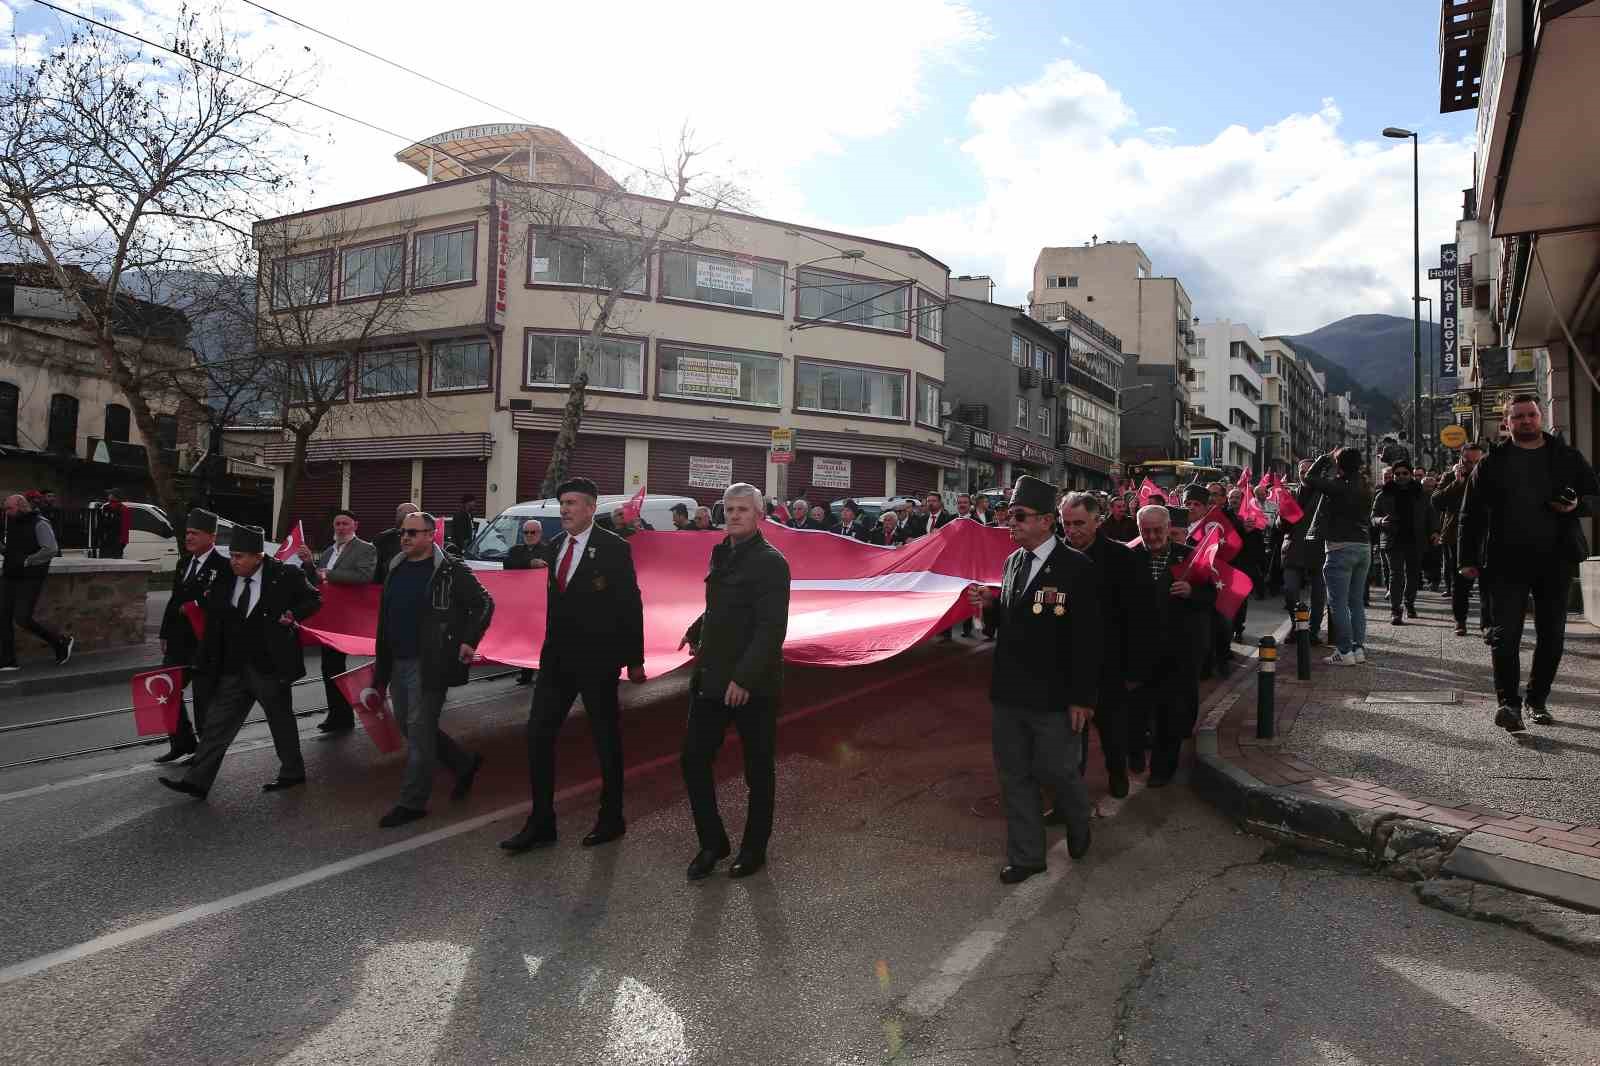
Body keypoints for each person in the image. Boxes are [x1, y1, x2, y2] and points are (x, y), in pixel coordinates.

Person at [964, 476, 1099, 884]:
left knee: (1058, 772)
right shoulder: (1012, 563)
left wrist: (1082, 698)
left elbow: (1088, 640)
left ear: (1045, 521)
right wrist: (988, 606)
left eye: (1019, 517)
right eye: (1010, 516)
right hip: (1010, 691)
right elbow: (1008, 623)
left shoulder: (1077, 568)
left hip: (1054, 696)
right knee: (1014, 775)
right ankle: (1027, 856)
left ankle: (1078, 819)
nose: (1012, 523)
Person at [501, 477, 647, 853]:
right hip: (557, 661)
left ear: (590, 508)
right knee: (538, 735)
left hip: (598, 660)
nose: (564, 509)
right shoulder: (553, 546)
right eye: (562, 502)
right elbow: (521, 565)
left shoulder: (613, 548)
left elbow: (630, 604)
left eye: (572, 503)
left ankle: (611, 817)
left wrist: (634, 660)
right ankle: (541, 821)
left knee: (605, 739)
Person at [1459, 396, 1598, 731]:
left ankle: (1537, 700)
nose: (1525, 421)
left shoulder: (1566, 457)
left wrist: (1575, 505)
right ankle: (1509, 704)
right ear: (1507, 422)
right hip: (1506, 561)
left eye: (1531, 415)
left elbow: (1595, 497)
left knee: (1552, 636)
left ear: (1540, 417)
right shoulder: (1493, 463)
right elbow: (1471, 513)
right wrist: (1467, 559)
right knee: (1504, 635)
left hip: (1556, 558)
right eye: (1518, 416)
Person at [677, 483, 791, 880]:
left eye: (743, 509)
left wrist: (744, 679)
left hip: (752, 686)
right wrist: (696, 630)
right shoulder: (720, 552)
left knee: (757, 770)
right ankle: (712, 842)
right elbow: (719, 607)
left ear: (759, 514)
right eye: (729, 509)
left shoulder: (771, 562)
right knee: (693, 761)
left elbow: (770, 628)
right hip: (712, 678)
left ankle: (753, 849)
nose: (735, 515)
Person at [157, 525, 319, 799]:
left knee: (280, 721)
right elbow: (214, 622)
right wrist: (205, 658)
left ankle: (292, 771)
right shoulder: (224, 579)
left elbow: (314, 598)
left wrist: (294, 615)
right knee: (216, 724)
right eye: (231, 555)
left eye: (240, 556)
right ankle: (197, 781)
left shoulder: (284, 575)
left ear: (258, 556)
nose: (234, 561)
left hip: (269, 666)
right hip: (234, 667)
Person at [371, 511, 493, 827]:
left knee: (419, 730)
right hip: (397, 659)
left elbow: (483, 603)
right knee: (410, 726)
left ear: (430, 535)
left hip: (432, 663)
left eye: (413, 533)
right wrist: (380, 670)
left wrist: (469, 641)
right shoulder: (395, 567)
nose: (406, 538)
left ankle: (412, 802)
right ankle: (462, 763)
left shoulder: (451, 570)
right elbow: (385, 619)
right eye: (403, 533)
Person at [1122, 504, 1215, 785]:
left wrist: (1192, 592)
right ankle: (1135, 754)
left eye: (1157, 530)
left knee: (1170, 716)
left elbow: (1211, 596)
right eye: (1145, 531)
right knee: (1134, 713)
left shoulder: (1190, 559)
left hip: (1177, 655)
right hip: (1136, 654)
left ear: (1168, 528)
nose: (1151, 536)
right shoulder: (1127, 557)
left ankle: (1163, 770)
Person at [1057, 491, 1133, 797]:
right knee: (1071, 736)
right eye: (1066, 523)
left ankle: (1118, 774)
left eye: (1079, 523)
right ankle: (1072, 795)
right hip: (1069, 665)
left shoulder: (1121, 557)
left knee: (1112, 730)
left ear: (1097, 521)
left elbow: (1134, 616)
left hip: (1109, 664)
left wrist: (1132, 667)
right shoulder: (1056, 557)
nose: (1072, 530)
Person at [154, 509, 231, 762]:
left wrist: (199, 604)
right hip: (178, 640)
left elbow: (222, 604)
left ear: (211, 536)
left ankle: (203, 752)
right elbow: (174, 598)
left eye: (194, 533)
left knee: (203, 698)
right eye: (187, 533)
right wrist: (164, 633)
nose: (189, 538)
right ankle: (181, 742)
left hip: (204, 642)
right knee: (166, 689)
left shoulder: (223, 567)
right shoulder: (183, 562)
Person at [297, 509, 378, 732]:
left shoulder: (366, 549)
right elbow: (316, 579)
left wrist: (328, 574)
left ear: (355, 525)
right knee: (329, 667)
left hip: (347, 618)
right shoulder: (328, 551)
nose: (341, 528)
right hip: (328, 617)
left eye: (345, 523)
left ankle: (341, 716)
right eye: (337, 524)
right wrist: (307, 563)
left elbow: (364, 576)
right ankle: (338, 715)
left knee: (334, 666)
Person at [1305, 447, 1373, 666]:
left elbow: (1309, 478)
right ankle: (1358, 648)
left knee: (1338, 603)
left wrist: (1324, 458)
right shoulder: (1364, 485)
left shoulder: (1338, 486)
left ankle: (1344, 652)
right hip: (1363, 546)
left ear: (1340, 464)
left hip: (1339, 547)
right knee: (1356, 602)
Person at [1, 494, 75, 671]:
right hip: (11, 574)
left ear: (21, 506)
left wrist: (28, 561)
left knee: (22, 618)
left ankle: (60, 642)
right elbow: (12, 549)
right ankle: (8, 660)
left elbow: (50, 549)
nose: (6, 512)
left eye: (9, 508)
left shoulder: (39, 522)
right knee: (2, 616)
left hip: (31, 577)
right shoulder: (11, 522)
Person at [1432, 443, 1489, 637]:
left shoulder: (1489, 476)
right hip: (1455, 535)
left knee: (1487, 581)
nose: (1472, 466)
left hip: (1484, 534)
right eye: (1467, 462)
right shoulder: (1451, 476)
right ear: (1460, 460)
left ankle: (1486, 623)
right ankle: (1460, 620)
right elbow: (1436, 501)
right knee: (1460, 581)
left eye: (1476, 461)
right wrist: (1457, 483)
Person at [1370, 459, 1435, 625]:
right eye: (1397, 474)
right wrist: (1380, 521)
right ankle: (1395, 610)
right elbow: (1373, 517)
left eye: (1404, 473)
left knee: (1413, 575)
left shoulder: (1421, 493)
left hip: (1415, 539)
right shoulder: (1384, 494)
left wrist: (1435, 532)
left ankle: (1409, 603)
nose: (1401, 476)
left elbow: (1430, 516)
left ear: (1411, 474)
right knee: (1395, 575)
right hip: (1393, 540)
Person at [1280, 459, 1326, 644]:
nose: (1305, 474)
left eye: (1309, 470)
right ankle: (1296, 626)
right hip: (1294, 548)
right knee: (1290, 591)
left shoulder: (1325, 494)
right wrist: (1282, 516)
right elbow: (1280, 525)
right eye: (1301, 471)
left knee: (1318, 595)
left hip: (1318, 549)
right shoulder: (1290, 494)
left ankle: (1312, 632)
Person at [503, 519, 548, 685]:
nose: (529, 535)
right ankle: (526, 672)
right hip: (522, 602)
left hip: (540, 601)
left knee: (542, 639)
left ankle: (544, 672)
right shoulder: (516, 550)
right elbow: (508, 564)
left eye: (533, 532)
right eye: (526, 532)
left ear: (540, 533)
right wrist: (529, 563)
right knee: (525, 638)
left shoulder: (548, 549)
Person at [373, 502, 417, 584]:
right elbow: (376, 567)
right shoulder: (383, 537)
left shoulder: (423, 536)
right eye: (401, 512)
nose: (404, 515)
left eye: (409, 513)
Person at [98, 488, 129, 559]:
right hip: (113, 541)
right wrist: (124, 541)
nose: (108, 496)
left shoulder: (122, 509)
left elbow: (125, 526)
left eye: (110, 494)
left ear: (114, 496)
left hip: (112, 540)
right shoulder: (106, 507)